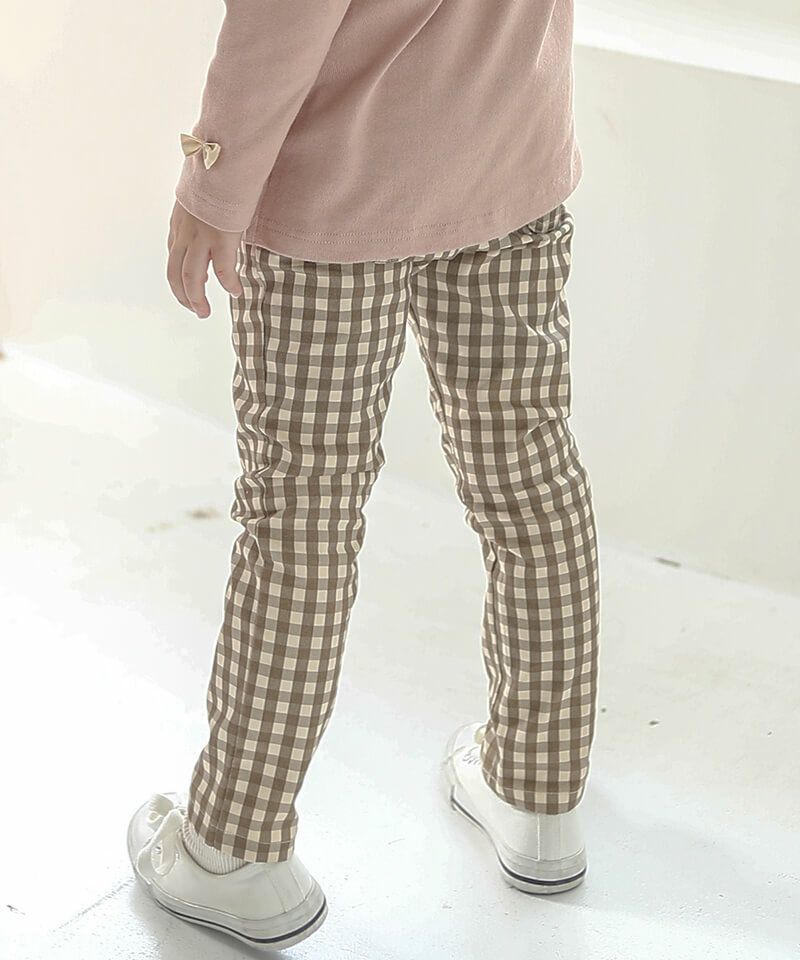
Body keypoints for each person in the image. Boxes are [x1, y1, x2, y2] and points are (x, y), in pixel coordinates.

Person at [127, 0, 600, 949]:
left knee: (302, 521)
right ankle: (538, 792)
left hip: (334, 205)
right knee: (532, 481)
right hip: (508, 161)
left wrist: (211, 183)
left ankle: (234, 846)